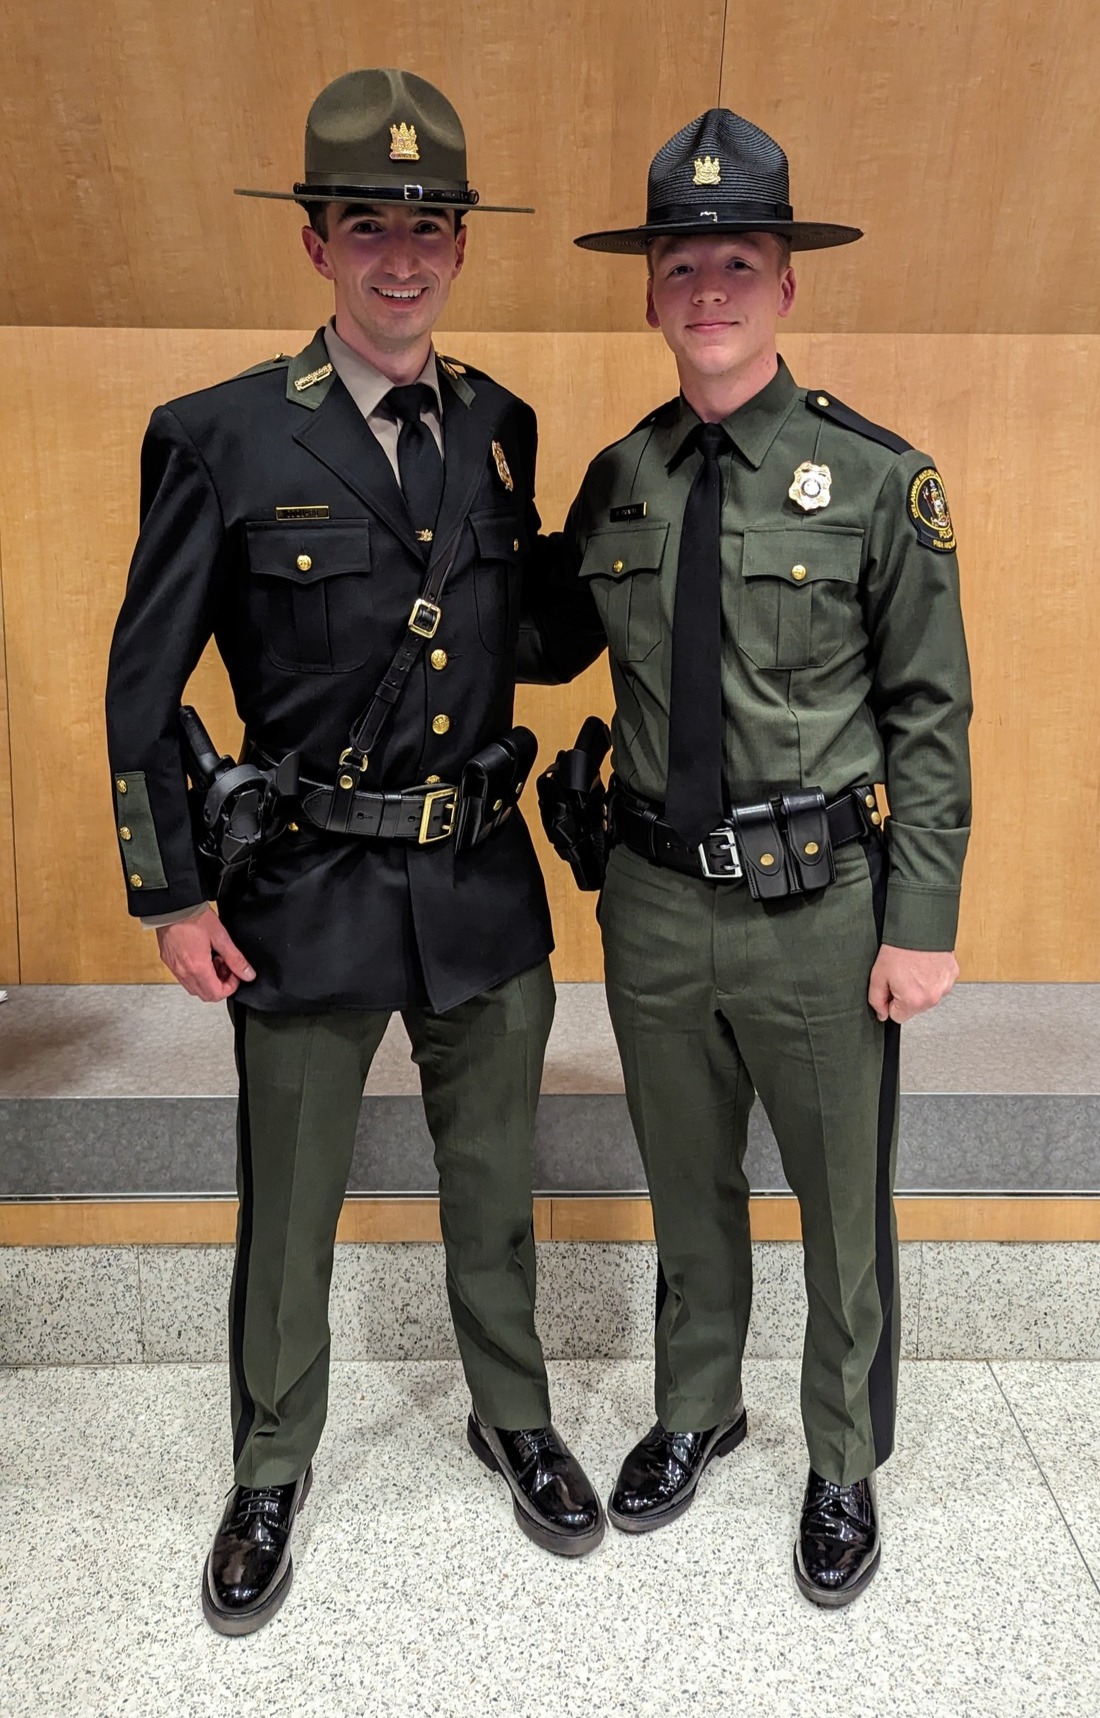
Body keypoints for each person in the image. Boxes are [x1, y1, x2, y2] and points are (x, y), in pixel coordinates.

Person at [105, 67, 604, 1638]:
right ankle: (269, 1462)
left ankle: (511, 1415)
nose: (406, 257)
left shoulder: (504, 431)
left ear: (463, 243)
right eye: (371, 224)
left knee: (493, 1187)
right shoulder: (220, 437)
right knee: (293, 1198)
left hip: (478, 880)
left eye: (432, 226)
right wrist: (172, 887)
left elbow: (532, 637)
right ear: (316, 240)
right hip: (304, 891)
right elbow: (140, 686)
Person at [524, 108, 972, 1606]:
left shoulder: (872, 482)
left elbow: (930, 715)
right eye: (681, 263)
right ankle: (696, 1402)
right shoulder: (620, 480)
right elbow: (538, 633)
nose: (707, 287)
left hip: (821, 909)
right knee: (685, 1179)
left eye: (738, 260)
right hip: (650, 903)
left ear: (786, 286)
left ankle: (841, 1452)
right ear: (651, 291)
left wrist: (923, 919)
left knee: (844, 1198)